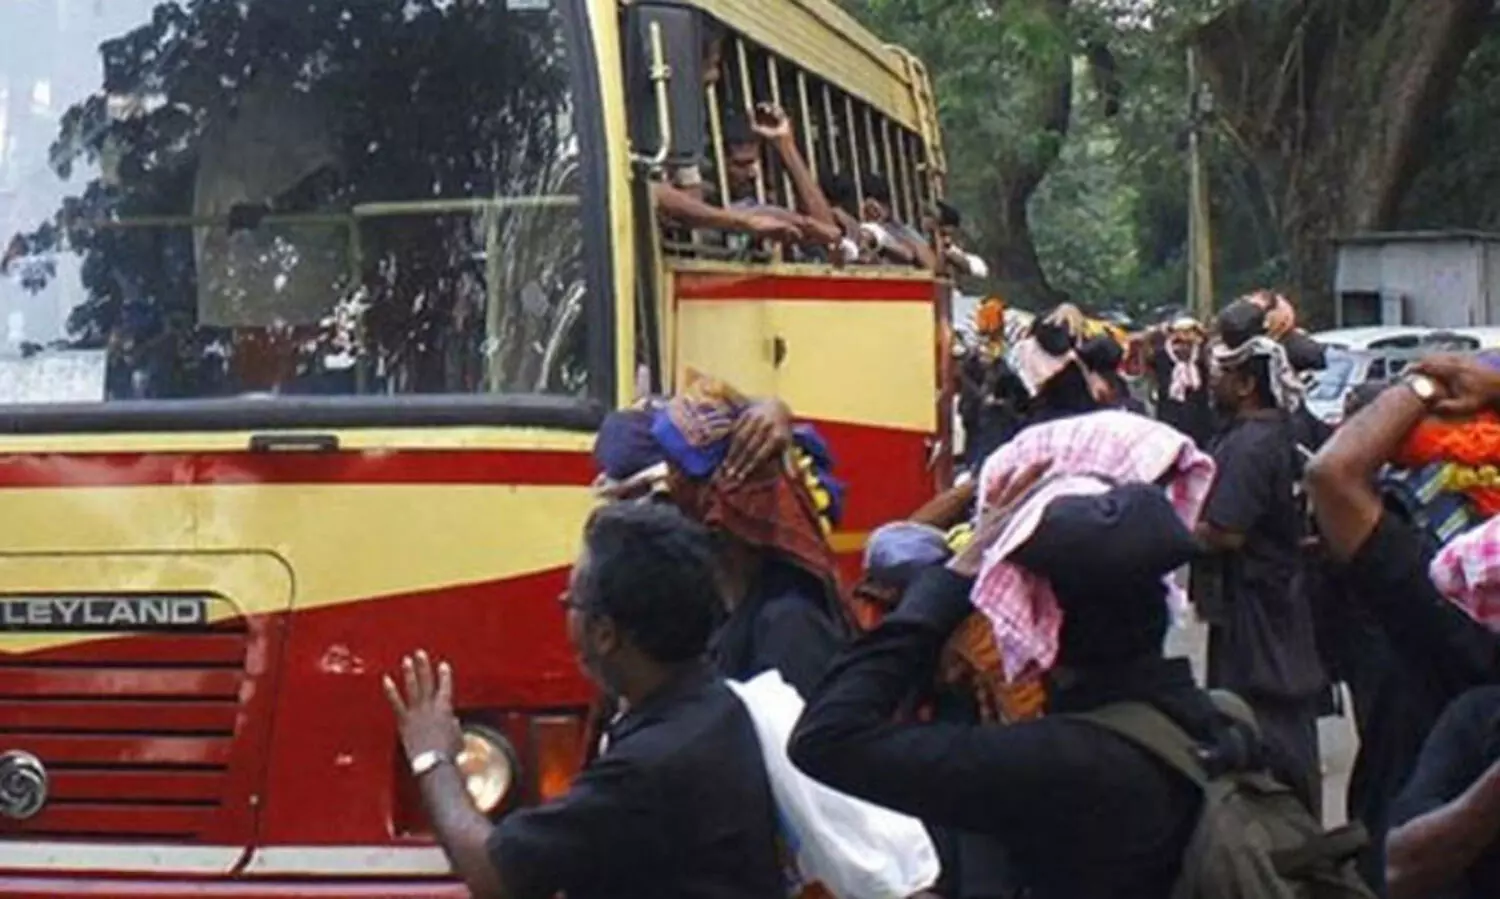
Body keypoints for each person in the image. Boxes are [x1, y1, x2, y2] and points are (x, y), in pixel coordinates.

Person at [789, 454, 1232, 898]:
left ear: (1051, 626)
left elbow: (826, 738)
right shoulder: (1227, 721)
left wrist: (952, 581)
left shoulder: (1055, 761)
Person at [383, 502, 784, 899]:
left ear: (605, 634)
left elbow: (494, 874)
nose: (566, 616)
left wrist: (432, 757)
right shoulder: (716, 709)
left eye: (570, 603)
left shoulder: (646, 768)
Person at [591, 377, 850, 697]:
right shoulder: (711, 602)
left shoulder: (789, 625)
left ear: (729, 504)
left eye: (680, 477)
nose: (671, 491)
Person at [1193, 331, 1325, 814]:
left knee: (1263, 722)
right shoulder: (1282, 432)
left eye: (1224, 374)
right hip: (1283, 599)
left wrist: (1176, 526)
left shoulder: (1251, 445)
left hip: (1259, 611)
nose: (1215, 382)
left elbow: (1227, 531)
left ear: (1248, 383)